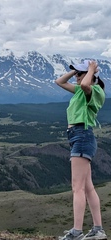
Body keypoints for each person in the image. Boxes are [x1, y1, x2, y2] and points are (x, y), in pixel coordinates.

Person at [55, 60, 107, 240]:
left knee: (77, 188)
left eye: (79, 74)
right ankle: (98, 230)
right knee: (87, 187)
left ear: (91, 76)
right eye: (77, 74)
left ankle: (76, 232)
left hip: (82, 136)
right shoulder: (79, 90)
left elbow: (86, 84)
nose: (77, 77)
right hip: (77, 136)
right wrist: (77, 71)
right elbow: (59, 82)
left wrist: (90, 70)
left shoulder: (95, 91)